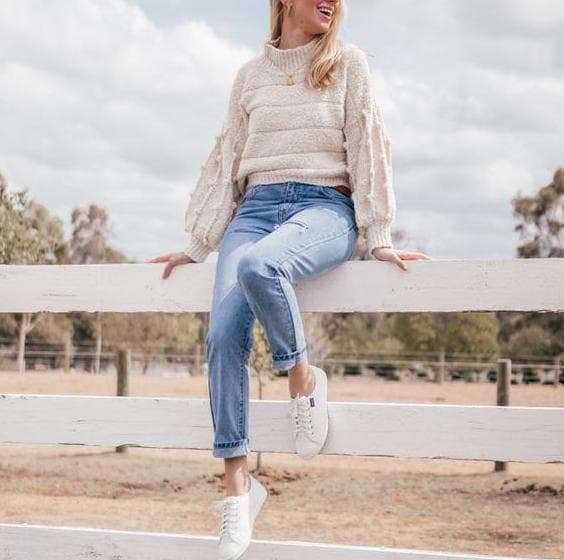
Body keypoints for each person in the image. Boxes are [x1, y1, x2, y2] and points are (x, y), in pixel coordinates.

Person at [150, 0, 431, 557]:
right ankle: (238, 491)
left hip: (325, 208)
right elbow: (228, 157)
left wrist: (377, 233)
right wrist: (198, 241)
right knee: (223, 337)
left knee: (261, 266)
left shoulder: (348, 64)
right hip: (253, 210)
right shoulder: (248, 77)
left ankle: (303, 381)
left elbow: (368, 141)